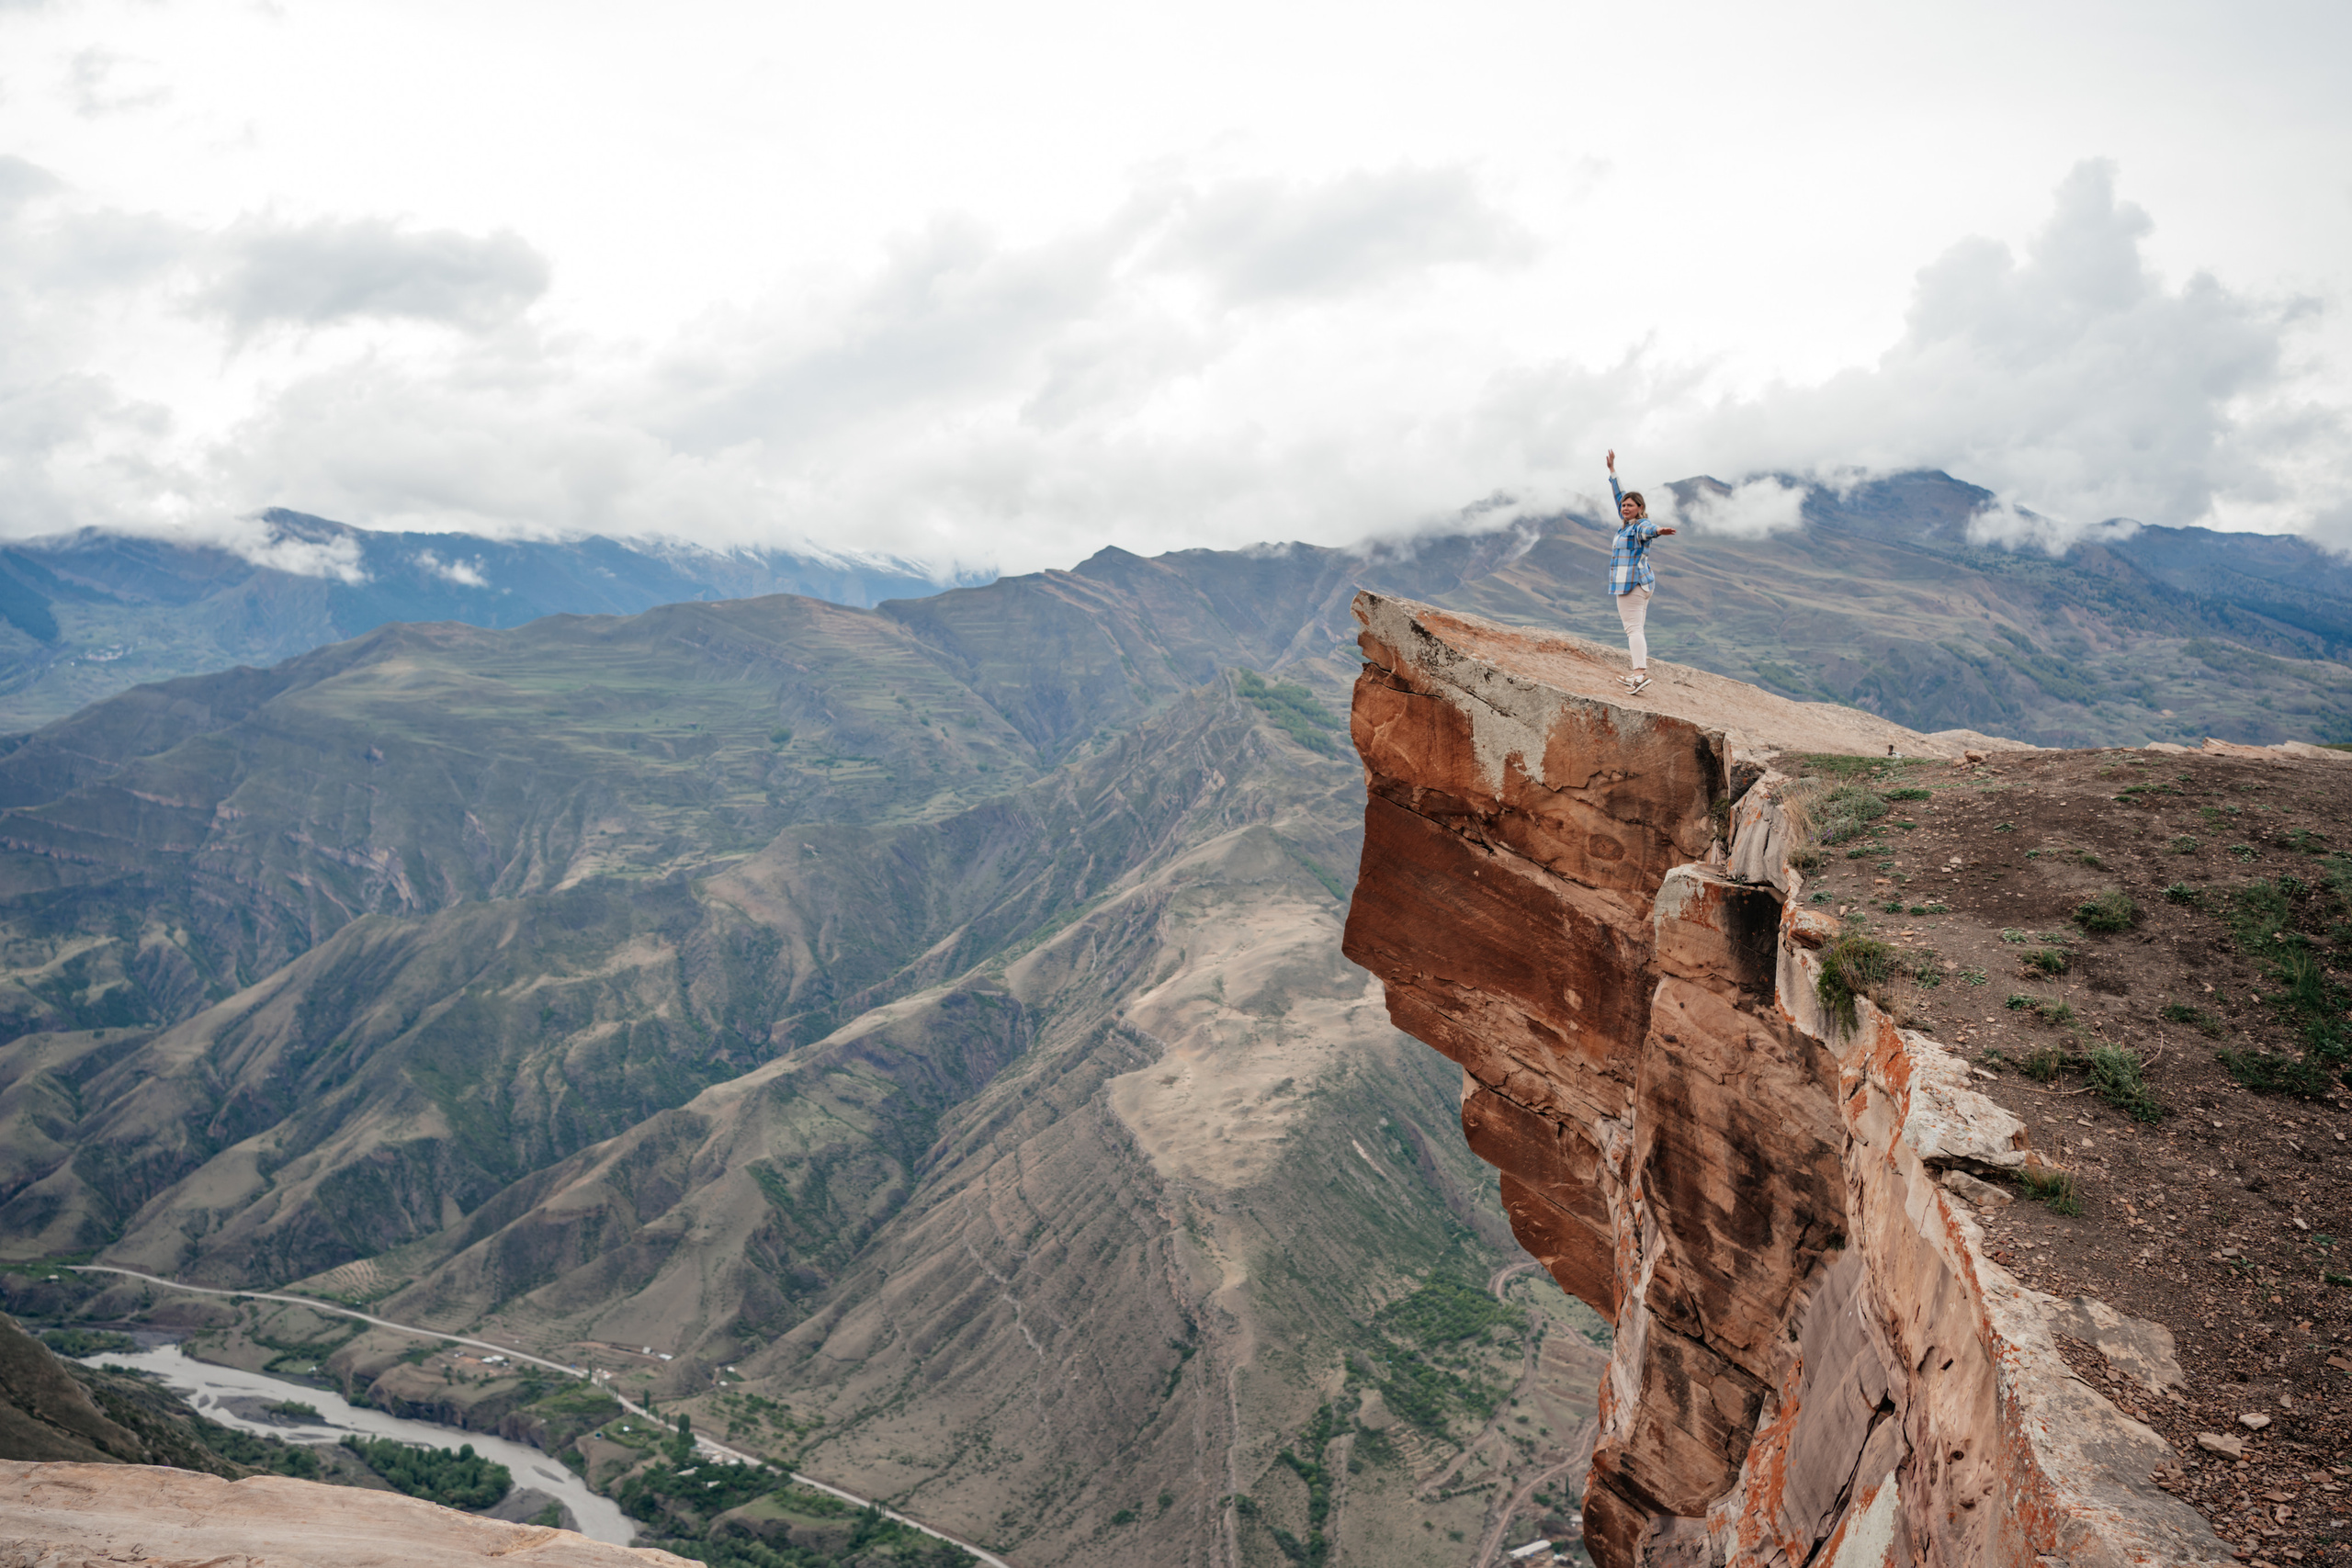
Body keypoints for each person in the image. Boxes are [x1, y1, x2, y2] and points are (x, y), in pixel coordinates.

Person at [1605, 448, 1676, 695]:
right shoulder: (1627, 523)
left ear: (1640, 508)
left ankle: (1639, 676)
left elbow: (1648, 530)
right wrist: (1612, 471)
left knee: (1633, 629)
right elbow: (1619, 496)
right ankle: (1637, 673)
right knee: (1638, 629)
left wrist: (1660, 531)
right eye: (1623, 505)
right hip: (1643, 583)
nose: (1625, 508)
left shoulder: (1639, 526)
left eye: (1630, 505)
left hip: (1631, 585)